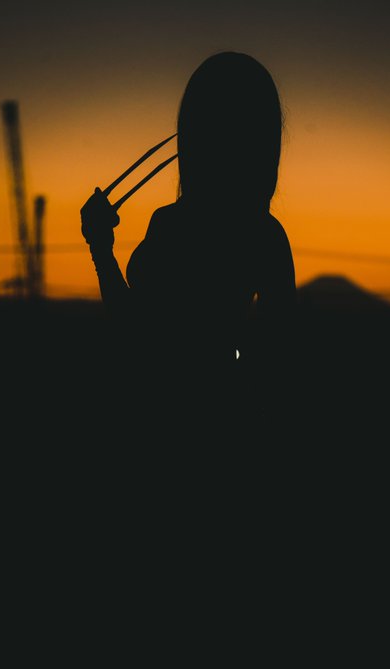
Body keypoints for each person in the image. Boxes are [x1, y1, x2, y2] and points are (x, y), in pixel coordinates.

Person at [80, 51, 297, 448]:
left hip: (150, 419)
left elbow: (133, 332)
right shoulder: (267, 235)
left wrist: (101, 248)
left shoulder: (169, 224)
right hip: (229, 423)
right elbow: (278, 359)